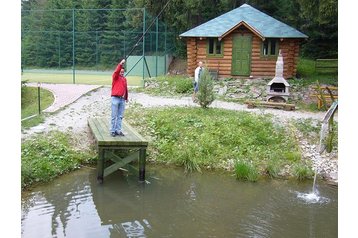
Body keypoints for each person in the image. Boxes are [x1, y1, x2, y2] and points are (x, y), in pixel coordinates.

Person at [110, 59, 128, 137]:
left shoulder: (124, 79)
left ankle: (118, 130)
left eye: (123, 72)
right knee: (114, 116)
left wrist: (126, 97)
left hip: (122, 99)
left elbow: (125, 89)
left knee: (120, 116)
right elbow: (116, 72)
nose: (122, 73)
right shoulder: (115, 77)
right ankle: (112, 131)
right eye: (121, 71)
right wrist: (120, 64)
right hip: (115, 98)